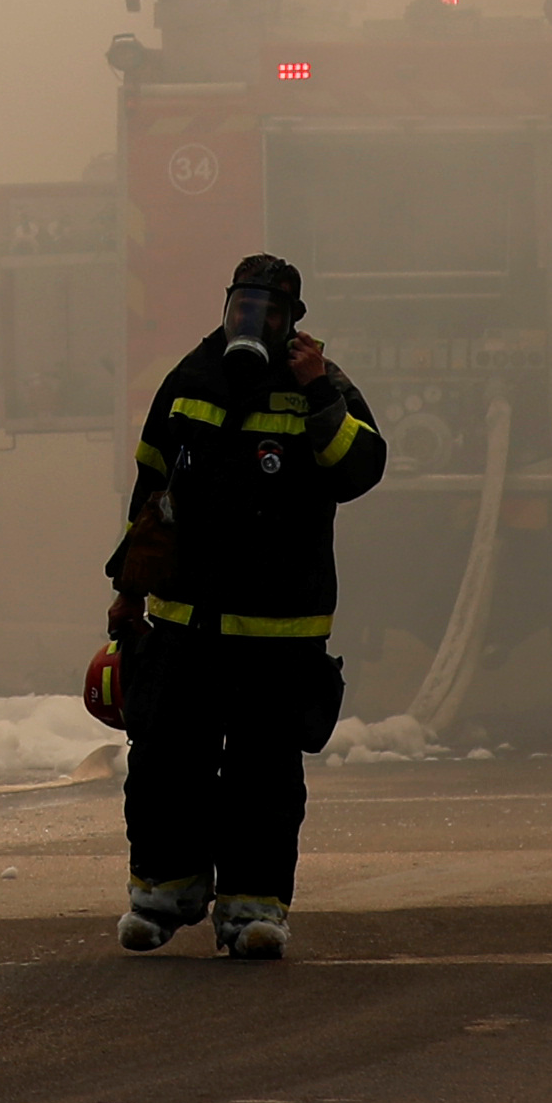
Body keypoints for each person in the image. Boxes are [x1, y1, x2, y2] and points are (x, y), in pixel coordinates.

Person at [108, 249, 388, 960]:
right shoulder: (192, 376)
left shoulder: (318, 382)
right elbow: (150, 488)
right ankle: (164, 892)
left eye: (266, 310)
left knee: (264, 771)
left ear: (293, 319)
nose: (250, 321)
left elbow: (361, 469)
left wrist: (318, 391)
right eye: (241, 305)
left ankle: (252, 909)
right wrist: (128, 591)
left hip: (279, 626)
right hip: (185, 619)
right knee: (166, 759)